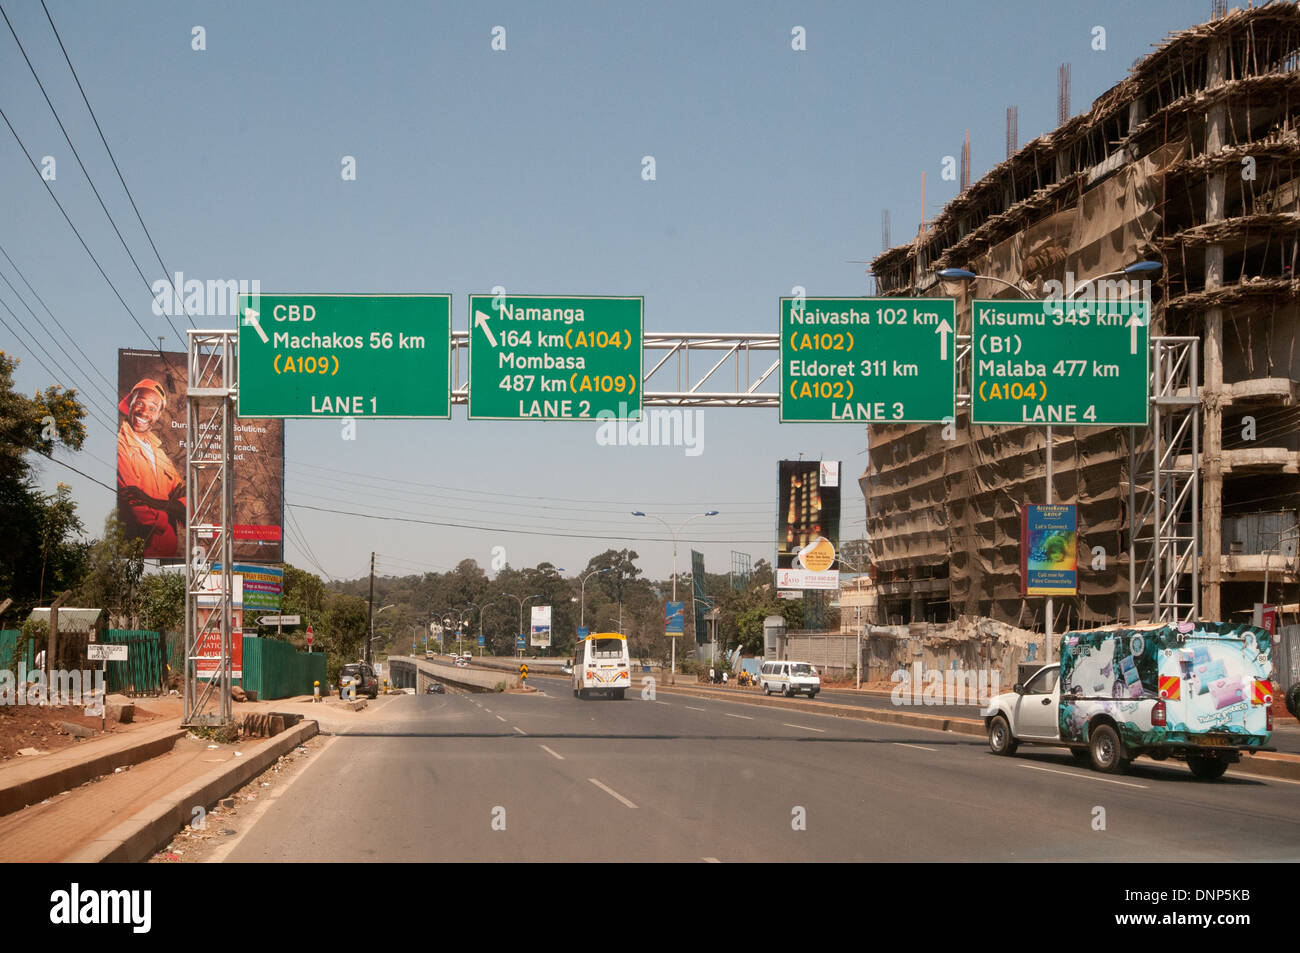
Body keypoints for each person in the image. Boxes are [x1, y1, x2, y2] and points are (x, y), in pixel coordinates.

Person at [117, 378, 185, 557]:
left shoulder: (158, 451)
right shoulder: (120, 446)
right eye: (140, 403)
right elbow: (136, 508)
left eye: (153, 408)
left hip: (168, 553)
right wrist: (169, 518)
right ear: (130, 403)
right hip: (138, 553)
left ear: (158, 415)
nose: (145, 412)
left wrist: (157, 504)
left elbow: (185, 497)